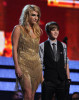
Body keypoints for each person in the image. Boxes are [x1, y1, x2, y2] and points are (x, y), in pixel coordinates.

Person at [12, 4, 43, 100]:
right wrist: (17, 67)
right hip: (23, 63)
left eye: (37, 16)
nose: (36, 18)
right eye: (33, 15)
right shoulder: (18, 29)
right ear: (26, 15)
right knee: (28, 94)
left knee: (32, 96)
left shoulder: (37, 31)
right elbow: (14, 48)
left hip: (36, 65)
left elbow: (36, 51)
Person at [39, 21, 71, 100]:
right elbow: (39, 64)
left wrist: (68, 79)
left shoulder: (63, 45)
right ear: (48, 32)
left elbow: (65, 62)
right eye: (53, 30)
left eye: (57, 30)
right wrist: (42, 80)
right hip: (49, 80)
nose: (56, 32)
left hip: (62, 80)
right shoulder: (42, 46)